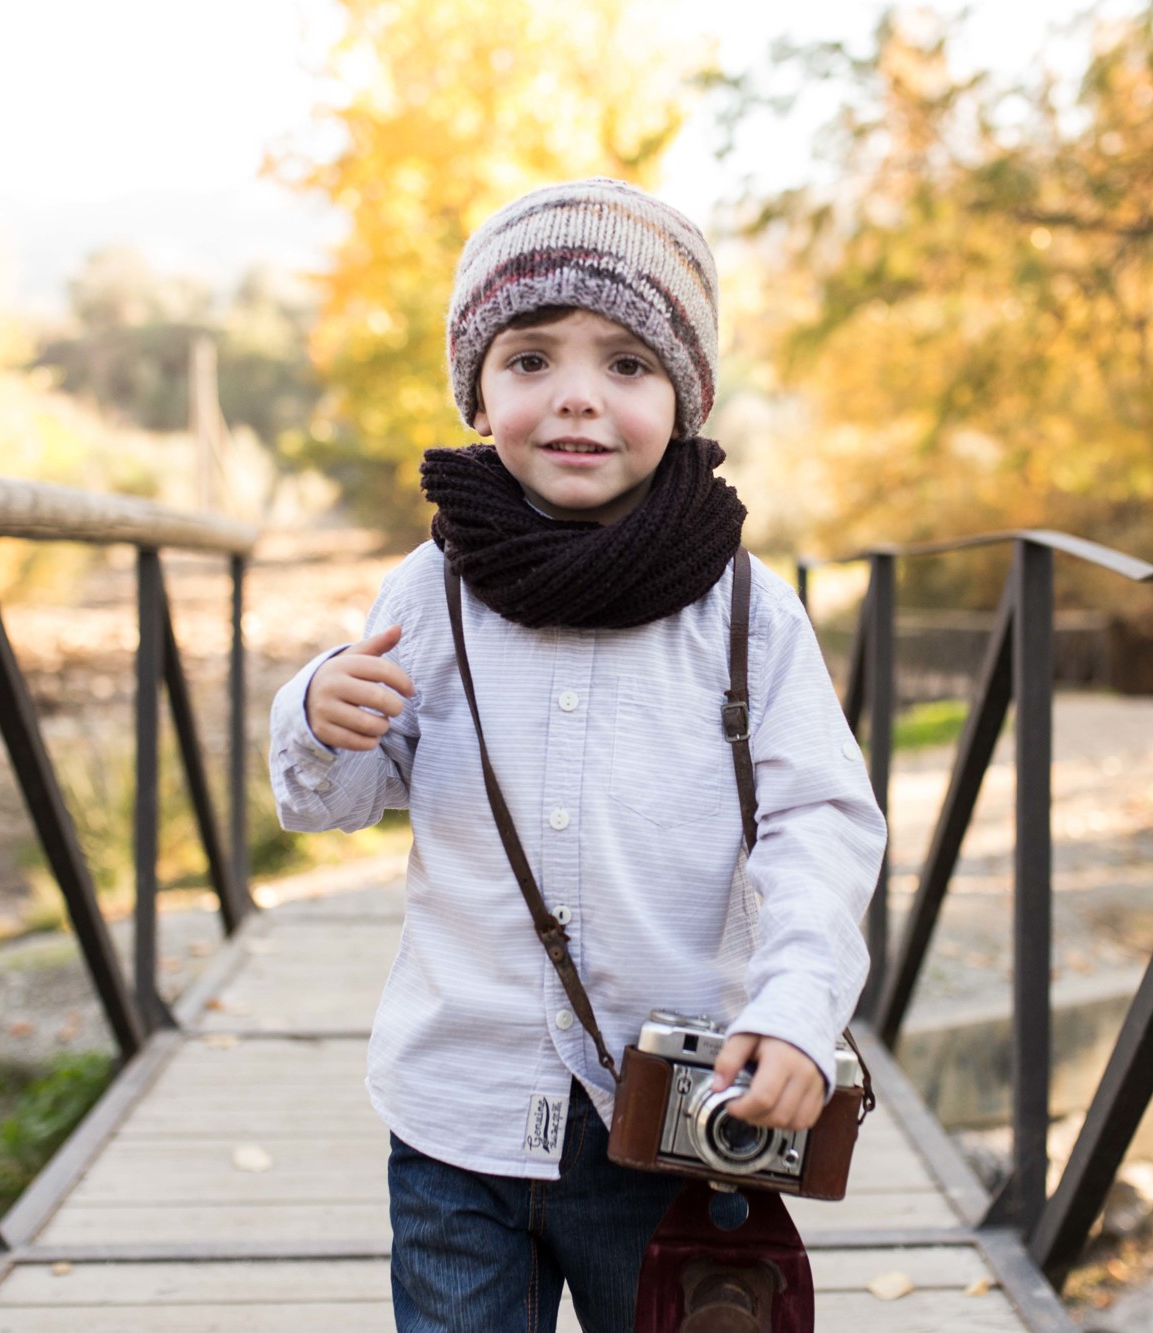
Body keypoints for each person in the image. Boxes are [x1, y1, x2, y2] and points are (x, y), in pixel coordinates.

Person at [270, 177, 884, 1332]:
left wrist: (798, 1004)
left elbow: (819, 827)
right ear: (478, 385)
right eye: (530, 358)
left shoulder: (745, 612)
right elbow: (339, 799)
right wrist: (317, 711)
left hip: (667, 1124)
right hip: (457, 1115)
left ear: (684, 393)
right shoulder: (433, 588)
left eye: (626, 364)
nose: (575, 401)